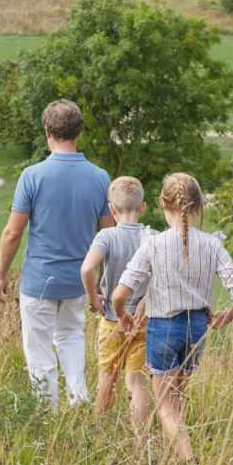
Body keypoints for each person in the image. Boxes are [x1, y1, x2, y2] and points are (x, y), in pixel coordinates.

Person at [112, 173, 233, 463]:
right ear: (199, 206)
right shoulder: (212, 245)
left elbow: (119, 295)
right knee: (177, 401)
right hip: (197, 328)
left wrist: (123, 315)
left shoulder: (153, 244)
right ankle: (173, 464)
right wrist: (226, 317)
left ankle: (189, 463)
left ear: (163, 203)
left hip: (163, 327)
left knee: (166, 407)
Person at [0, 99, 114, 411]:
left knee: (40, 352)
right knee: (72, 339)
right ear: (79, 132)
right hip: (78, 281)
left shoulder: (32, 176)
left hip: (39, 281)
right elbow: (108, 232)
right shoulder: (100, 178)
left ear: (47, 131)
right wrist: (102, 282)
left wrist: (1, 275)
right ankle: (79, 402)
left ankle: (48, 416)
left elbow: (13, 232)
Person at [81, 176, 152, 438]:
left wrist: (94, 296)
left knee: (107, 377)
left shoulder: (107, 236)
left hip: (112, 319)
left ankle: (98, 434)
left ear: (112, 209)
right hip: (142, 323)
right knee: (137, 381)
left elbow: (87, 268)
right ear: (142, 207)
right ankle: (140, 440)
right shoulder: (152, 237)